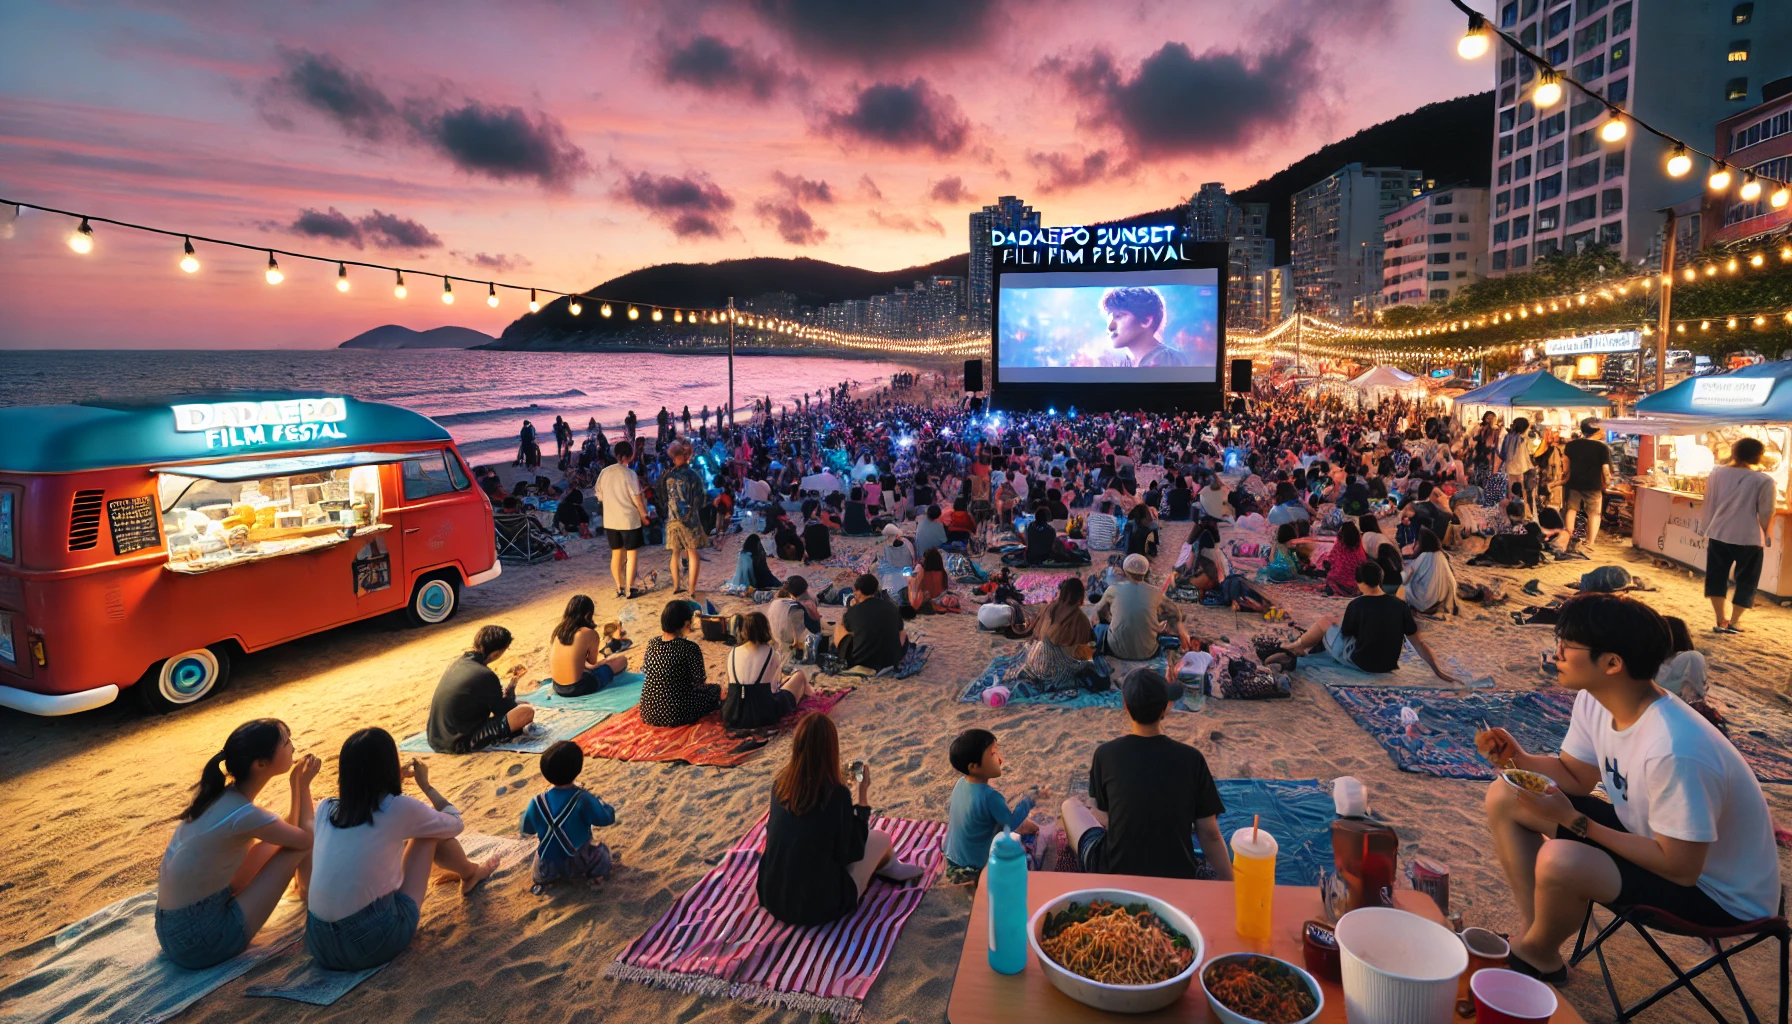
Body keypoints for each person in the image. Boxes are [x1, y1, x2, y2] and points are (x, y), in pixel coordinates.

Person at [1478, 594, 1780, 983]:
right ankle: (1536, 940)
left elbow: (1682, 868)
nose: (1556, 654)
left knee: (1562, 859)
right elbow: (1575, 776)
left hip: (1718, 895)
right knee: (1507, 794)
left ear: (1613, 663)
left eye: (1567, 645)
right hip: (1654, 843)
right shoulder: (1595, 700)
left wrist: (1574, 821)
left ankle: (1533, 953)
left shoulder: (1675, 747)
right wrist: (1515, 758)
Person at [305, 729, 497, 971]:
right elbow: (455, 823)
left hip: (318, 942)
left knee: (412, 836)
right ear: (390, 767)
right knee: (428, 834)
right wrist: (426, 786)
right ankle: (471, 873)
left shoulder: (326, 808)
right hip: (368, 942)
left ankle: (469, 873)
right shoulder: (397, 808)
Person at [156, 720, 319, 969]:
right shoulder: (244, 814)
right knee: (300, 846)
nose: (293, 747)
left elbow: (287, 832)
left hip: (172, 929)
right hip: (202, 942)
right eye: (286, 742)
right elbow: (306, 838)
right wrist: (301, 785)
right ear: (260, 764)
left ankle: (304, 888)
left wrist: (296, 785)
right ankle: (308, 892)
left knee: (278, 844)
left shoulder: (221, 797)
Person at [1060, 670, 1230, 878]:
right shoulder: (1192, 758)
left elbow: (1105, 817)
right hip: (1177, 874)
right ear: (1165, 708)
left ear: (1126, 706)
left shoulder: (1105, 754)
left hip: (1114, 870)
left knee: (1070, 806)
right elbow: (1210, 834)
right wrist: (1230, 884)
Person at [756, 713, 922, 926]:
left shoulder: (780, 783)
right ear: (831, 749)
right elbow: (851, 854)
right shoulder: (836, 795)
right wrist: (862, 795)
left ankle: (890, 867)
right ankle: (891, 868)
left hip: (772, 894)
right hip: (815, 906)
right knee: (880, 839)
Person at [1267, 562, 1453, 681]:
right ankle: (1300, 645)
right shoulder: (1400, 605)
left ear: (1360, 582)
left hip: (1361, 663)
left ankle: (1294, 646)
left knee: (1326, 621)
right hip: (1387, 665)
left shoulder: (1358, 604)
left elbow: (1347, 633)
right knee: (1333, 625)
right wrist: (1437, 670)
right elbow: (1419, 643)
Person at [944, 729, 1040, 885]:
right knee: (1021, 856)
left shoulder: (960, 783)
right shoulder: (990, 796)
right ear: (974, 767)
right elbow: (1011, 824)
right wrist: (1029, 800)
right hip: (973, 868)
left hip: (951, 858)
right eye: (993, 755)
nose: (1000, 760)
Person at [1701, 436, 1775, 635]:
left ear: (1734, 452)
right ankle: (1734, 622)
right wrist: (1767, 534)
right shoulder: (1764, 480)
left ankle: (1720, 620)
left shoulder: (1717, 473)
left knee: (1716, 576)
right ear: (1759, 456)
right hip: (1749, 537)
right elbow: (1766, 512)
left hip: (1719, 532)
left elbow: (1709, 502)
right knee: (1747, 580)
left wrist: (1705, 527)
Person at [520, 741, 615, 889]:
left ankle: (546, 879)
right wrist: (602, 804)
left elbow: (527, 829)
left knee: (542, 853)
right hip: (577, 862)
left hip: (545, 866)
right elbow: (606, 819)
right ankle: (596, 876)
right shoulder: (582, 799)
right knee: (602, 853)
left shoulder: (537, 801)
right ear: (578, 769)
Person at [427, 626, 536, 753]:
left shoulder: (457, 663)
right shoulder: (486, 675)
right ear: (496, 653)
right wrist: (511, 688)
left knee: (519, 706)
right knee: (526, 712)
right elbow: (504, 710)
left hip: (435, 737)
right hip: (459, 742)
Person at [721, 611, 811, 729]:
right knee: (799, 675)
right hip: (762, 714)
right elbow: (774, 688)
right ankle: (813, 696)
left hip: (733, 712)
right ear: (765, 629)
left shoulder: (733, 652)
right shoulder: (770, 652)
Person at [640, 600, 721, 727]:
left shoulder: (652, 644)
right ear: (686, 624)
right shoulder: (690, 647)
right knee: (715, 690)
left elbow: (646, 670)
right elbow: (699, 681)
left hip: (649, 711)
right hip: (678, 713)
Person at [1095, 553, 1191, 658]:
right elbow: (1175, 612)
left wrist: (1111, 619)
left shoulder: (1113, 589)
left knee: (1100, 628)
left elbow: (1099, 611)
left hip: (1118, 651)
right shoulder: (1155, 592)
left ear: (1125, 571)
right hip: (1148, 652)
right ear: (1145, 572)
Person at [1015, 576, 1097, 691]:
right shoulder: (1080, 617)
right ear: (1080, 596)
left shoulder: (1049, 608)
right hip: (1054, 669)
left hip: (1034, 662)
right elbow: (1084, 646)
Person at [549, 595, 630, 697]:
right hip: (577, 688)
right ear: (587, 614)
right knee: (622, 660)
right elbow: (592, 662)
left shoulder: (559, 632)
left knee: (603, 664)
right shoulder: (589, 633)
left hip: (557, 687)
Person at [598, 441, 650, 598]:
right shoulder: (629, 474)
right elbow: (637, 499)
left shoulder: (605, 472)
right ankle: (630, 588)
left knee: (616, 554)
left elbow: (599, 496)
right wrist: (644, 515)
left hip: (610, 520)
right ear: (628, 456)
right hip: (628, 520)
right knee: (631, 554)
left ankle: (619, 586)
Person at [660, 441, 708, 597]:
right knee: (692, 552)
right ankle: (691, 589)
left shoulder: (668, 475)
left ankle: (676, 585)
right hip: (689, 520)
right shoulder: (692, 475)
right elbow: (700, 498)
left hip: (672, 519)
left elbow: (662, 497)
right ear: (687, 455)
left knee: (675, 552)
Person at [833, 573, 908, 672]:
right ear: (875, 590)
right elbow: (901, 632)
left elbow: (850, 629)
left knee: (841, 625)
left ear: (858, 591)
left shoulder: (853, 611)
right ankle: (896, 656)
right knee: (902, 632)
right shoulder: (892, 607)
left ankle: (842, 657)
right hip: (890, 661)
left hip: (861, 661)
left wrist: (850, 610)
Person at [1102, 287, 1189, 368]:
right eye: (1109, 318)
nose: (1110, 327)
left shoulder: (1171, 360)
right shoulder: (1121, 363)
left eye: (1119, 316)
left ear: (1146, 321)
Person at [1562, 418, 1612, 551]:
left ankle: (1568, 537)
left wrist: (1564, 477)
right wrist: (1607, 481)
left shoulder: (1571, 445)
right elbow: (1605, 469)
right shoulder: (1602, 447)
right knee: (1594, 513)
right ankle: (1590, 542)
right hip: (1593, 485)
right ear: (1596, 429)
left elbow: (1565, 467)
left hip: (1574, 483)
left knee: (1572, 509)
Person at [1403, 528, 1460, 615]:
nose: (1415, 545)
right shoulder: (1440, 554)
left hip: (1428, 602)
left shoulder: (1424, 555)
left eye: (1417, 542)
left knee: (1403, 587)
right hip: (1442, 598)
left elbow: (1407, 576)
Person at [767, 575, 824, 651]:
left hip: (776, 636)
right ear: (805, 589)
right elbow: (815, 624)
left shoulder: (775, 602)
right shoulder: (799, 607)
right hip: (790, 639)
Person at [1321, 521, 1370, 596]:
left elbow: (1330, 560)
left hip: (1339, 583)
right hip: (1357, 585)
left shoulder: (1339, 546)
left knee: (1329, 581)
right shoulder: (1359, 549)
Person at [906, 547, 957, 614]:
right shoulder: (942, 572)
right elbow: (946, 586)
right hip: (940, 596)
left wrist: (907, 575)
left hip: (928, 599)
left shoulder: (923, 573)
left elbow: (913, 582)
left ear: (926, 560)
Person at [1500, 417, 1535, 511]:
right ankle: (1519, 512)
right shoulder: (1520, 440)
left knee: (1510, 492)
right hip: (1519, 470)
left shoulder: (1508, 437)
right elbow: (1522, 457)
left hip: (1508, 468)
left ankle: (1510, 511)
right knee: (1519, 493)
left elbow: (1502, 453)